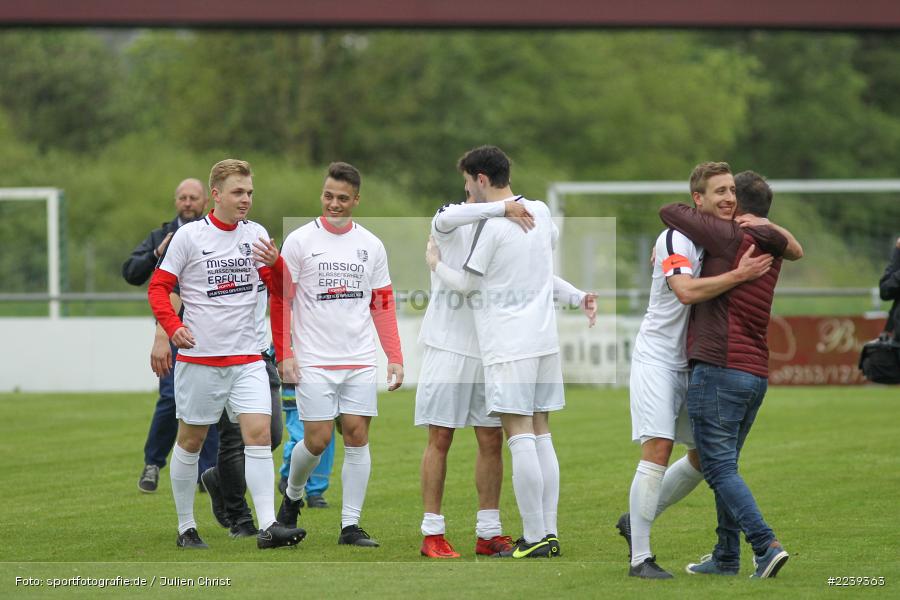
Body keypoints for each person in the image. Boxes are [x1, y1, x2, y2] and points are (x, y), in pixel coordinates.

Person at [617, 162, 775, 579]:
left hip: (693, 363)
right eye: (718, 191)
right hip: (657, 358)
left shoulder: (720, 239)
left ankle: (636, 519)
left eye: (731, 190)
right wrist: (740, 275)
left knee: (704, 458)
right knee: (657, 448)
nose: (727, 198)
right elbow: (685, 292)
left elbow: (791, 247)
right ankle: (641, 559)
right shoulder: (675, 238)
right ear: (698, 200)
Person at [420, 189, 595, 559]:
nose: (468, 191)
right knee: (441, 437)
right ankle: (432, 531)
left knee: (491, 440)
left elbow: (537, 276)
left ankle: (489, 531)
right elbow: (446, 223)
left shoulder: (512, 222)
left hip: (491, 347)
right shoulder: (452, 215)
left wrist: (576, 295)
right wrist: (503, 206)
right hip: (448, 346)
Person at [147, 159, 305, 550]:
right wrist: (171, 327)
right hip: (200, 360)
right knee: (191, 441)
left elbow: (284, 291)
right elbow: (158, 287)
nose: (246, 199)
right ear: (215, 195)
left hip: (249, 358)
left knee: (258, 437)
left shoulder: (257, 235)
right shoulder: (188, 238)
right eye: (238, 192)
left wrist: (278, 263)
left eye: (249, 192)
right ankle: (187, 527)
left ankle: (268, 525)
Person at [659, 169, 802, 578]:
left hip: (720, 368)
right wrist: (769, 225)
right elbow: (797, 249)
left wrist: (728, 217)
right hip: (755, 372)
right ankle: (725, 556)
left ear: (740, 206)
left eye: (729, 194)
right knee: (726, 466)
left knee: (718, 468)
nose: (724, 200)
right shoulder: (772, 242)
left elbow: (669, 210)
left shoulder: (731, 235)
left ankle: (765, 544)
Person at [272, 162, 404, 548]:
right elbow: (281, 300)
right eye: (328, 196)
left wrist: (393, 355)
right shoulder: (298, 241)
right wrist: (285, 352)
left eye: (342, 198)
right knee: (316, 439)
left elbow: (382, 302)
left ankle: (350, 525)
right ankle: (292, 497)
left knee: (358, 436)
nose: (334, 203)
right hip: (313, 359)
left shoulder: (371, 245)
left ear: (356, 200)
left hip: (360, 359)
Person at [124, 178, 219, 493]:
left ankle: (208, 472)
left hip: (208, 331)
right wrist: (156, 253)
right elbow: (131, 273)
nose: (188, 203)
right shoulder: (161, 235)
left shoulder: (214, 235)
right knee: (171, 397)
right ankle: (153, 463)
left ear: (205, 201)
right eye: (182, 197)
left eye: (193, 197)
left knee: (211, 400)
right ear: (175, 201)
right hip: (171, 331)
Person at [278, 389, 336, 509]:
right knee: (300, 439)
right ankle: (288, 476)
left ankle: (315, 492)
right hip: (297, 385)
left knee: (323, 441)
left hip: (328, 386)